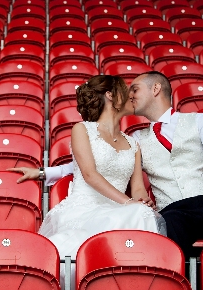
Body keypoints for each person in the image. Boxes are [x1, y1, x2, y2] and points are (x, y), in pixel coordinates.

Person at [10, 71, 203, 256]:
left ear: (155, 89)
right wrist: (44, 172)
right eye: (127, 91)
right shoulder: (138, 138)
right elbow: (89, 166)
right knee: (167, 224)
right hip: (175, 212)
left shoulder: (198, 122)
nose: (130, 95)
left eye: (135, 90)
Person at [32, 75, 166, 260]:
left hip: (121, 209)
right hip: (85, 208)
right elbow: (89, 174)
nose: (132, 97)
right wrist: (128, 203)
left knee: (143, 213)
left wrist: (143, 201)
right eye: (126, 91)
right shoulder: (82, 129)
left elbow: (137, 187)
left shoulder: (133, 143)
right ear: (111, 95)